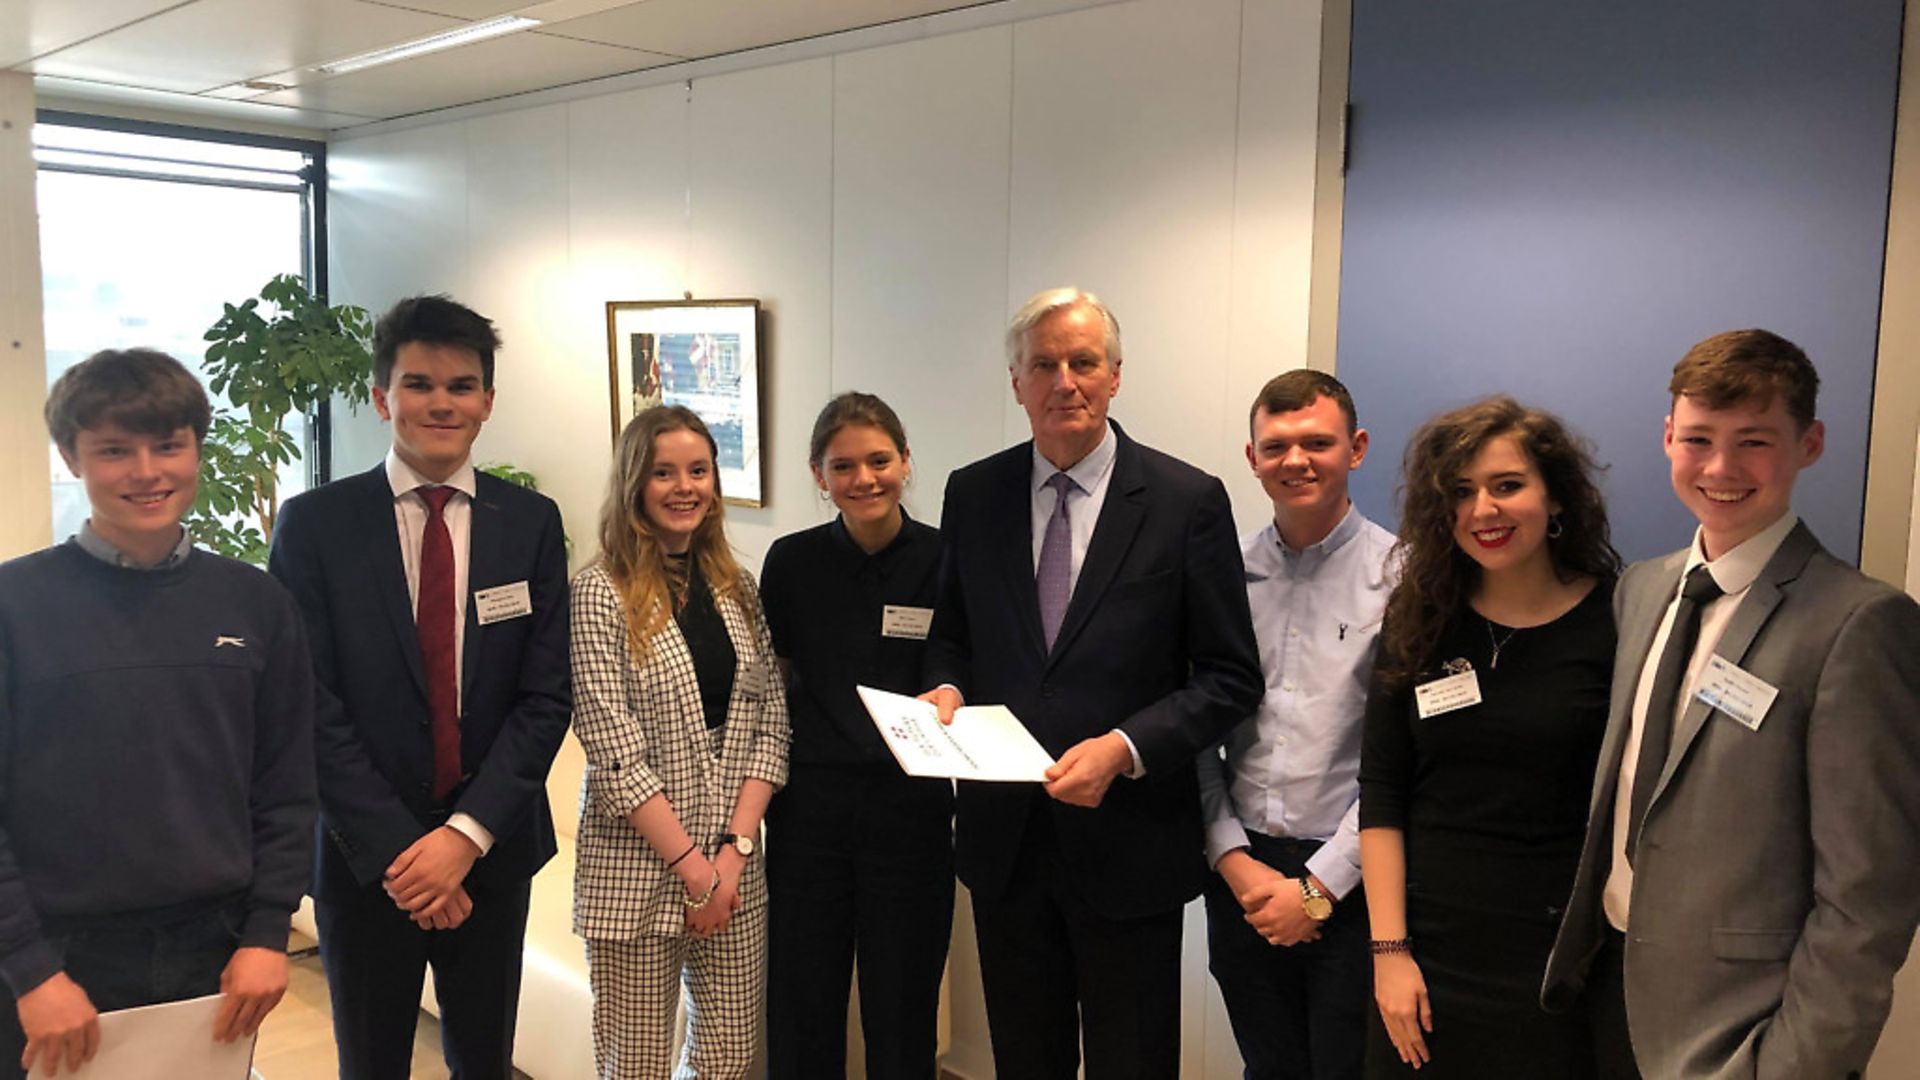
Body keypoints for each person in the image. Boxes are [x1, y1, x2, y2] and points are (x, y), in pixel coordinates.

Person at [1542, 330, 1920, 1079]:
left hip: (1744, 1038)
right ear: (1667, 437)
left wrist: (1790, 1063)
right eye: (1698, 439)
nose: (1720, 467)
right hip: (1611, 997)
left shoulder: (1858, 623)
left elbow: (1868, 898)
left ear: (1809, 444)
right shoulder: (1642, 590)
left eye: (1754, 441)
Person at [921, 287, 1262, 1078]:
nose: (1063, 381)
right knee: (1024, 1060)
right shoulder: (974, 493)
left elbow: (1228, 677)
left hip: (1130, 845)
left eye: (1083, 362)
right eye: (1043, 364)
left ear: (1115, 376)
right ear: (1016, 383)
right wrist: (944, 689)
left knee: (1132, 1062)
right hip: (1006, 844)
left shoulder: (1185, 502)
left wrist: (1125, 747)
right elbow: (951, 636)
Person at [269, 296, 571, 1080]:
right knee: (371, 1065)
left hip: (492, 856)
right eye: (419, 383)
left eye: (462, 386)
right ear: (381, 397)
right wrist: (408, 853)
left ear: (488, 402)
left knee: (483, 1062)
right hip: (368, 862)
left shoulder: (531, 522)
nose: (442, 402)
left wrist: (463, 838)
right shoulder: (315, 525)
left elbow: (545, 697)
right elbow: (308, 703)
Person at [0, 349, 315, 1079]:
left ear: (196, 449)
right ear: (70, 457)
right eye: (114, 450)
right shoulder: (15, 607)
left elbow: (287, 784)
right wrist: (30, 969)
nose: (147, 472)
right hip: (53, 959)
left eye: (168, 445)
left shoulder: (257, 604)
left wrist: (269, 934)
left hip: (215, 947)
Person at [1357, 396, 1621, 1078]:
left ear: (1556, 497)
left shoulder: (1620, 621)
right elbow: (1382, 793)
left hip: (1563, 961)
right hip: (1425, 961)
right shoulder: (1420, 619)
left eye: (1507, 486)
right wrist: (1390, 954)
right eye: (1461, 493)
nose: (1483, 511)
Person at [569, 405, 789, 1079]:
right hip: (637, 871)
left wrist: (731, 857)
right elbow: (613, 756)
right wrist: (697, 875)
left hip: (734, 867)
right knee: (634, 1066)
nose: (683, 487)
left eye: (698, 471)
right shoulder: (598, 594)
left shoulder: (737, 588)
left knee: (727, 1057)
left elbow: (769, 726)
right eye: (664, 473)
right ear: (635, 482)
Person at [1199, 370, 1393, 1080]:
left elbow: (1405, 760)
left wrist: (1318, 890)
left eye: (1317, 442)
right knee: (1269, 1067)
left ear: (1357, 447)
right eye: (1275, 446)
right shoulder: (1221, 574)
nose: (1295, 461)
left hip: (1355, 879)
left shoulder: (1405, 576)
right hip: (1243, 876)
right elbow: (1197, 725)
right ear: (1251, 457)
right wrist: (1231, 858)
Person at [760, 393, 952, 1079]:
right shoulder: (790, 562)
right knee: (803, 1000)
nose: (864, 479)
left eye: (879, 460)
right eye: (843, 466)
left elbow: (958, 661)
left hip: (912, 813)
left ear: (906, 461)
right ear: (818, 475)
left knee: (903, 1005)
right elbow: (770, 682)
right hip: (808, 812)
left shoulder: (944, 557)